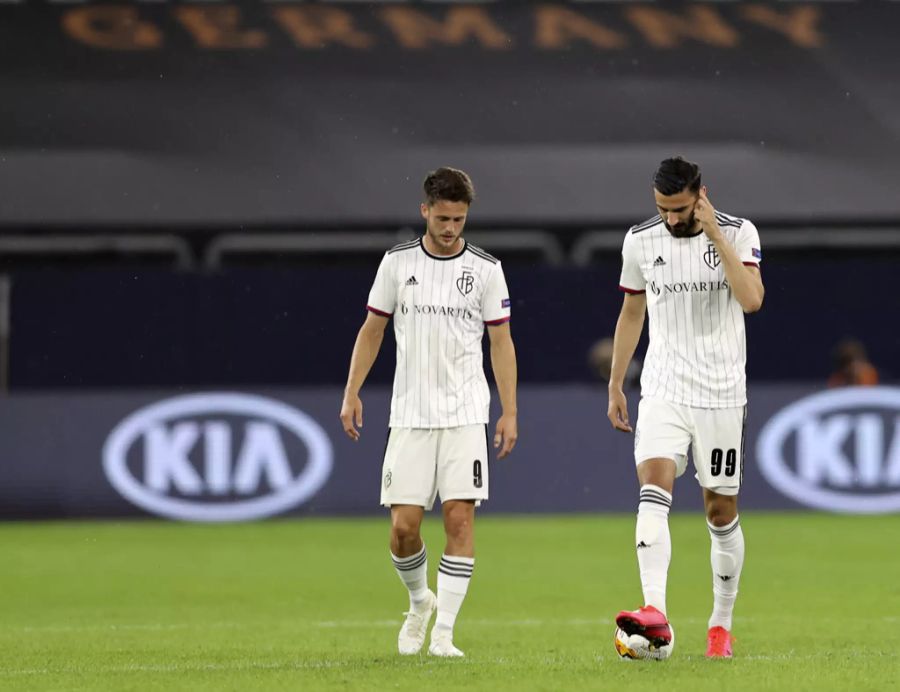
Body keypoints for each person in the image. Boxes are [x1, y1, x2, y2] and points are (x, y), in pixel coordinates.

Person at [340, 167, 518, 658]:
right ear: (425, 211)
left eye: (459, 219)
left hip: (465, 413)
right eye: (442, 218)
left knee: (459, 520)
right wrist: (352, 391)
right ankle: (420, 602)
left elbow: (501, 342)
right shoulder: (397, 264)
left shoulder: (485, 269)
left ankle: (444, 635)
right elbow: (372, 330)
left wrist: (509, 410)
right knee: (403, 528)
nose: (450, 228)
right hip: (411, 415)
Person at [606, 156, 764, 659]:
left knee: (720, 512)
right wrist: (615, 383)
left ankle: (720, 623)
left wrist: (716, 236)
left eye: (680, 209)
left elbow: (753, 299)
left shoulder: (738, 233)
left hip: (720, 393)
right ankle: (656, 614)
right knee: (652, 484)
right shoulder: (640, 240)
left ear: (702, 195)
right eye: (663, 209)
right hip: (663, 387)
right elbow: (632, 312)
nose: (672, 219)